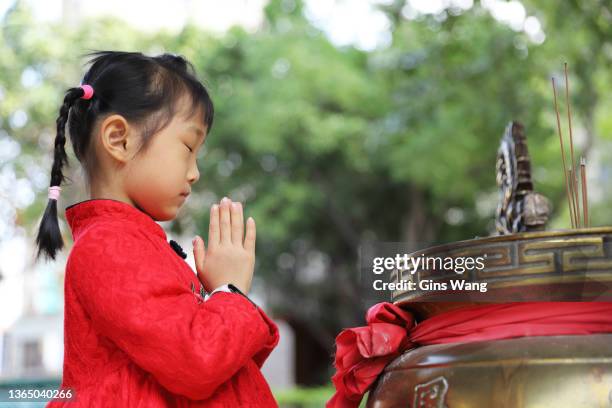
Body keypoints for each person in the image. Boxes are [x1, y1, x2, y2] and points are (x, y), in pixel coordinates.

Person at [35, 51, 280, 407]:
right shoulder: (109, 246)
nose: (195, 172)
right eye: (187, 148)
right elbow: (197, 362)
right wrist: (231, 293)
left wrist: (214, 298)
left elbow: (214, 366)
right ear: (119, 139)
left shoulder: (129, 243)